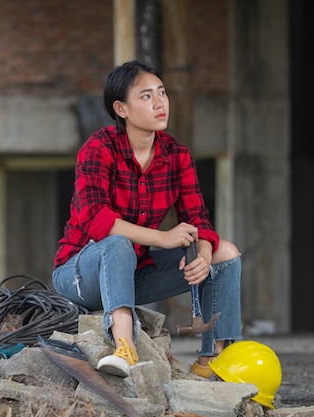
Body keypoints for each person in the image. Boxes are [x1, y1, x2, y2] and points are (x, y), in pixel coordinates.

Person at [52, 60, 242, 378]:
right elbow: (98, 221)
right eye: (145, 96)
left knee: (227, 254)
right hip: (79, 276)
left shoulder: (176, 155)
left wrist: (205, 255)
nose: (159, 103)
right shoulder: (98, 149)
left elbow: (198, 219)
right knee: (117, 243)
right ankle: (124, 347)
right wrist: (164, 238)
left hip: (135, 274)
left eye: (162, 93)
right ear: (121, 108)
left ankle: (213, 360)